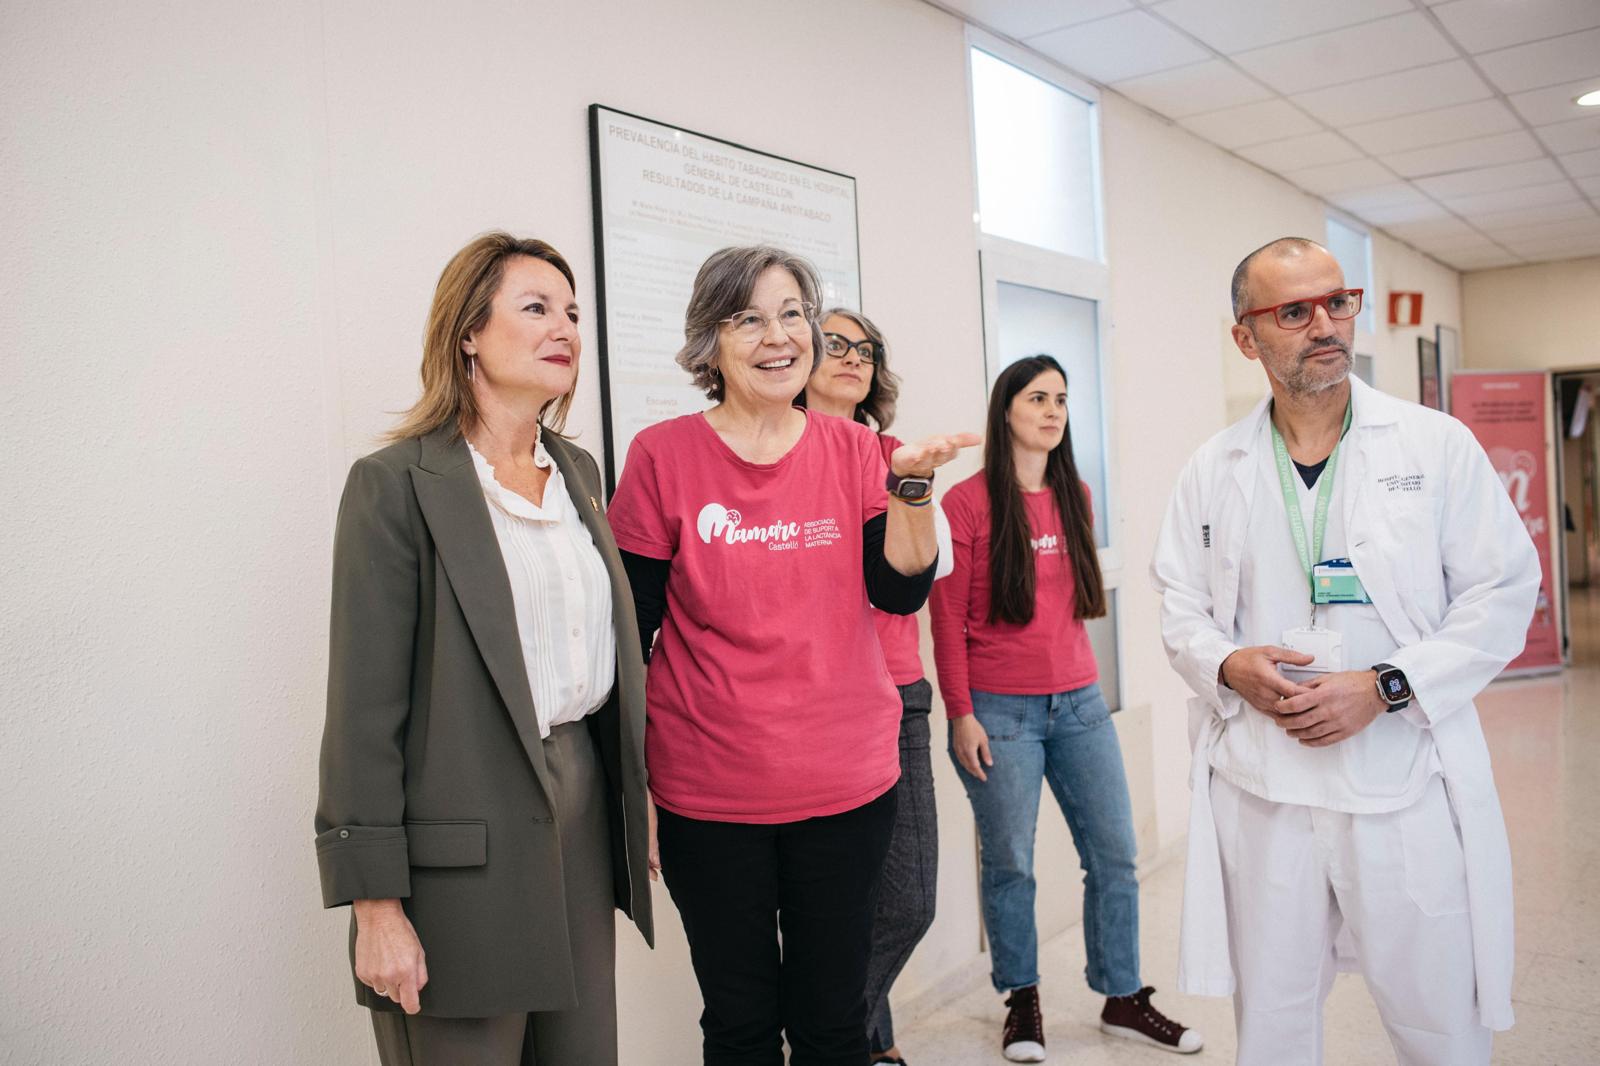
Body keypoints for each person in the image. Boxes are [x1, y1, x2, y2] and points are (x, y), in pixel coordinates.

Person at [1151, 237, 1539, 1066]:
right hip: (1266, 789)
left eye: (1338, 301)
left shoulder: (1433, 447)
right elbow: (1179, 602)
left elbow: (1502, 592)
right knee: (1275, 1026)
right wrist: (1225, 665)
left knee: (1438, 1018)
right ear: (1247, 338)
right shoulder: (1211, 467)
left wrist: (1389, 685)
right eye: (1294, 311)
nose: (1325, 325)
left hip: (1400, 779)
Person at [607, 245, 977, 1066]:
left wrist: (911, 489)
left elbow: (901, 592)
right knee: (738, 1023)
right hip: (709, 794)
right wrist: (632, 796)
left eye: (792, 314)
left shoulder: (860, 455)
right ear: (710, 342)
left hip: (846, 789)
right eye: (747, 318)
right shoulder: (662, 456)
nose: (778, 337)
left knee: (832, 1022)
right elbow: (627, 636)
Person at [314, 232, 653, 1066]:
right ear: (468, 330)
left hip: (578, 815)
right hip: (456, 849)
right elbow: (363, 713)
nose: (564, 328)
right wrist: (376, 908)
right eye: (534, 308)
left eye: (572, 312)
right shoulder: (394, 486)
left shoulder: (578, 471)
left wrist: (631, 801)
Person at [932, 355, 1202, 1062]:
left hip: (1080, 703)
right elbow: (947, 618)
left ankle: (1121, 995)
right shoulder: (965, 504)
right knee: (1012, 864)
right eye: (1036, 398)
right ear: (1006, 411)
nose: (1052, 411)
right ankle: (1021, 1001)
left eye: (1061, 399)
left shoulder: (1075, 493)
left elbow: (1078, 604)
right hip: (998, 712)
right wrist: (961, 712)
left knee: (1116, 855)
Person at [801, 308, 952, 1066]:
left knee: (906, 900)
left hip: (896, 696)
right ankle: (868, 1044)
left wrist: (910, 484)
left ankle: (828, 1037)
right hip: (806, 703)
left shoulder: (901, 458)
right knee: (840, 901)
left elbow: (918, 579)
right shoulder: (772, 458)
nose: (852, 358)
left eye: (866, 350)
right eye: (836, 345)